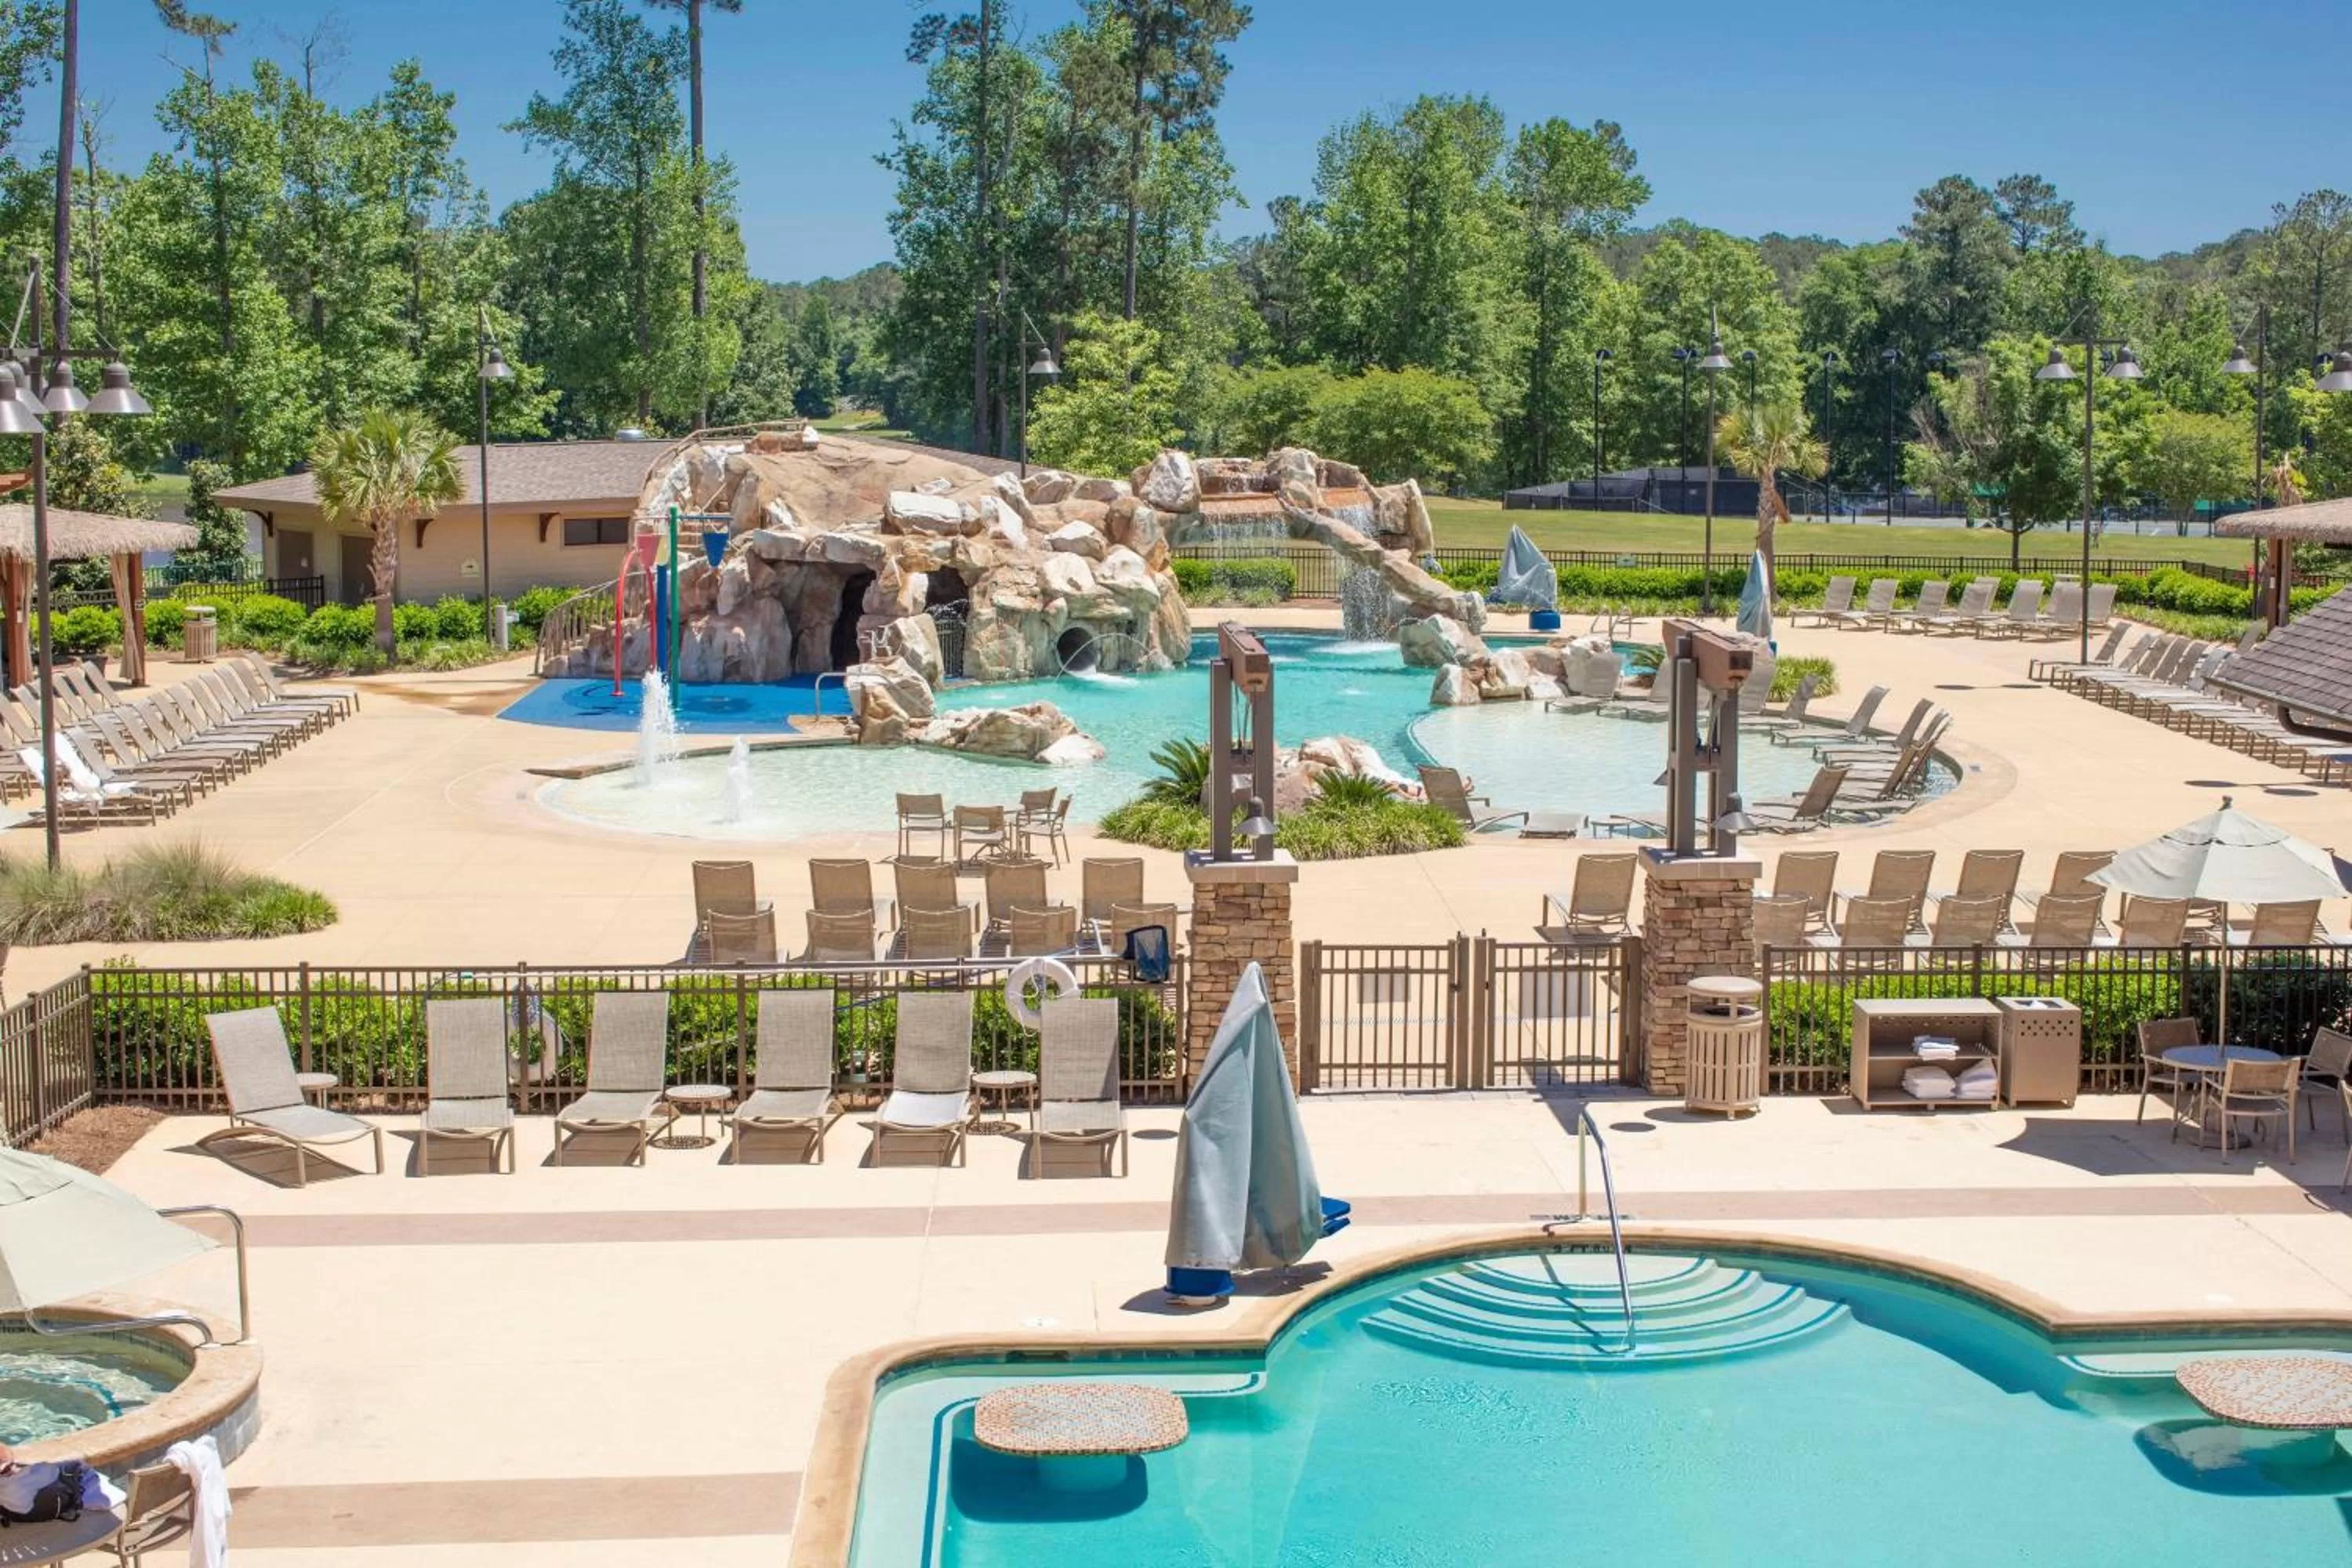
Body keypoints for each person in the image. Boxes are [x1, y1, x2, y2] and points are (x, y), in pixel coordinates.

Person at [0, 1441, 125, 1523]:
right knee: (74, 1465)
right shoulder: (31, 1477)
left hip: (15, 1516)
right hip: (43, 1513)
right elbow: (53, 1471)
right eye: (8, 1468)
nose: (13, 1468)